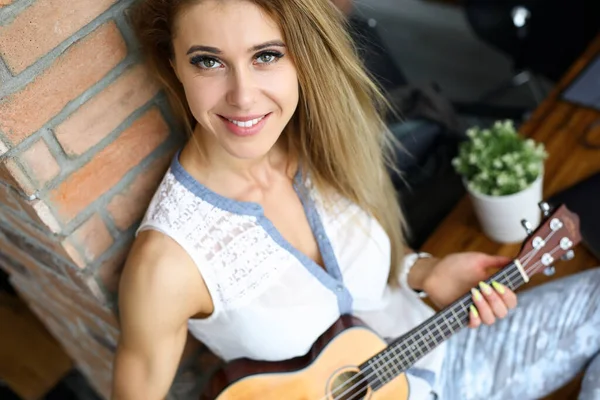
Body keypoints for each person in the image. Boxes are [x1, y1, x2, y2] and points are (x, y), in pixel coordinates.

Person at [111, 0, 600, 399]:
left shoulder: (321, 142)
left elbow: (356, 267)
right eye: (208, 61)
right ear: (172, 63)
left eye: (266, 55)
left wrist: (425, 271)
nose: (242, 96)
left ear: (299, 55)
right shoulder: (168, 265)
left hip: (454, 355)